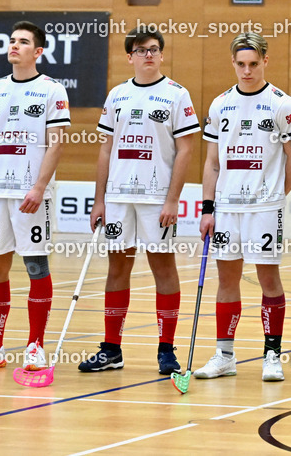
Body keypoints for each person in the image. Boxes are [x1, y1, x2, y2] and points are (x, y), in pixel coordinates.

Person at [79, 26, 199, 375]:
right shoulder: (117, 95)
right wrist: (99, 199)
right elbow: (105, 149)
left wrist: (172, 200)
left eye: (154, 49)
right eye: (141, 49)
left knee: (163, 268)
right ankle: (112, 349)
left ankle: (166, 350)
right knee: (118, 268)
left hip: (156, 198)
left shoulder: (177, 94)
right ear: (129, 56)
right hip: (118, 198)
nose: (148, 54)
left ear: (162, 54)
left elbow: (186, 150)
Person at [0, 21, 70, 371]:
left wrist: (38, 187)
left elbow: (57, 143)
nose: (14, 46)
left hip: (31, 194)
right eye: (12, 41)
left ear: (38, 52)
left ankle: (36, 345)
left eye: (23, 42)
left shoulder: (52, 90)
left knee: (35, 265)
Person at [195, 32, 291, 382]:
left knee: (268, 278)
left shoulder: (282, 104)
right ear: (233, 63)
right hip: (227, 208)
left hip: (264, 208)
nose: (247, 71)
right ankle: (224, 355)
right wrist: (208, 208)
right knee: (227, 279)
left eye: (253, 64)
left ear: (265, 62)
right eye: (241, 64)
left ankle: (272, 355)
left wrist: (273, 195)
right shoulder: (219, 104)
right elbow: (212, 163)